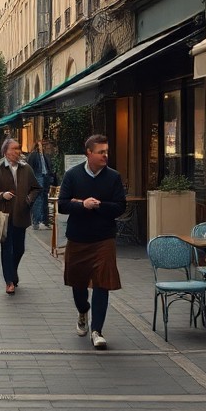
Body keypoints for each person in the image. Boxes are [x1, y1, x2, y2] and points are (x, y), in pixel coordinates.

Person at [58, 134, 126, 350]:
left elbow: (120, 207)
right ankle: (82, 310)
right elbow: (62, 205)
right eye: (101, 152)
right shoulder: (72, 175)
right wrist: (82, 205)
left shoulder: (113, 177)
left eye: (107, 151)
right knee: (78, 285)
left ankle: (97, 330)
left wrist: (99, 206)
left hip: (104, 238)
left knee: (102, 284)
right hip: (78, 238)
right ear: (89, 153)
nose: (105, 155)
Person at [0, 137, 40, 295]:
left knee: (19, 249)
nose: (17, 152)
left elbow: (36, 188)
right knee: (6, 248)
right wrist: (1, 195)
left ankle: (13, 272)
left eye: (18, 148)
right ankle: (9, 281)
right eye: (14, 149)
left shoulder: (26, 168)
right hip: (4, 214)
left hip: (21, 214)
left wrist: (28, 199)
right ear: (5, 151)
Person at [27, 141, 54, 229]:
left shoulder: (45, 156)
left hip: (45, 177)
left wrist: (50, 177)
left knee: (44, 198)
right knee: (38, 199)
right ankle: (36, 221)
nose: (43, 147)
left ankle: (45, 221)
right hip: (37, 177)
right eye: (41, 145)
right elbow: (30, 168)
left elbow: (49, 167)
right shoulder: (33, 155)